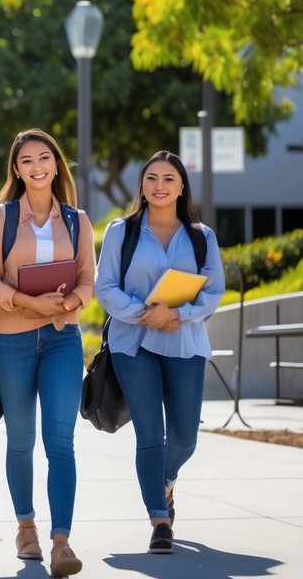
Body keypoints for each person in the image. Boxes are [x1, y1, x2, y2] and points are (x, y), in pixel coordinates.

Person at [0, 128, 94, 578]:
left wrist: (63, 305)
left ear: (57, 164)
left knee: (60, 442)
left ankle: (61, 539)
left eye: (45, 158)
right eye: (27, 161)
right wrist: (31, 304)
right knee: (21, 440)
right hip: (11, 340)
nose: (37, 167)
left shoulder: (77, 220)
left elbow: (88, 280)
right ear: (16, 169)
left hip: (62, 338)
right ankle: (25, 526)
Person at [95, 150, 224, 555]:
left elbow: (214, 290)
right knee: (150, 433)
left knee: (185, 436)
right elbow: (105, 286)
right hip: (132, 345)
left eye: (169, 178)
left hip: (184, 342)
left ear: (181, 185)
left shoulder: (202, 236)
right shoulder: (122, 232)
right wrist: (144, 315)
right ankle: (159, 521)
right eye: (151, 178)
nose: (160, 185)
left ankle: (164, 480)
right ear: (142, 186)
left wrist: (178, 314)